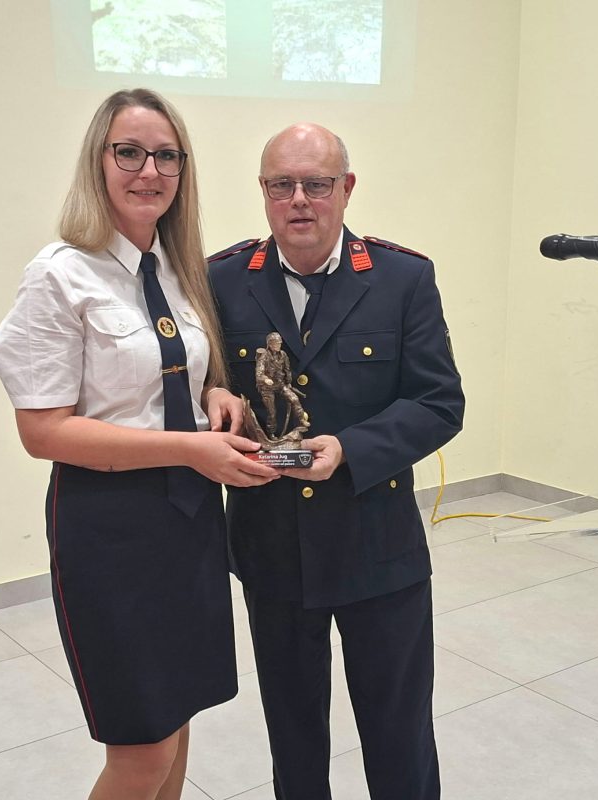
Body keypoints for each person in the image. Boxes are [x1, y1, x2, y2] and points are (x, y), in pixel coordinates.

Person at [0, 89, 276, 800]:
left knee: (177, 722)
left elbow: (177, 375)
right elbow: (42, 431)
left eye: (167, 156)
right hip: (110, 529)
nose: (150, 171)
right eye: (129, 152)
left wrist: (215, 395)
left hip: (189, 520)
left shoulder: (178, 270)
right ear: (99, 160)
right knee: (142, 749)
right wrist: (189, 450)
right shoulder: (60, 274)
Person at [208, 124, 465, 799]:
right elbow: (202, 382)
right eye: (281, 185)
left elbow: (439, 402)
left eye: (316, 184)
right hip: (271, 544)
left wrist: (350, 450)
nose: (299, 199)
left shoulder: (402, 278)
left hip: (376, 541)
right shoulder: (222, 279)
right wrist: (211, 399)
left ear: (346, 188)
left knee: (398, 732)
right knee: (292, 733)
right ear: (263, 191)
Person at [255, 332, 309, 438]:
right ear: (270, 344)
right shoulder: (264, 357)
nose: (279, 345)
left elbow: (287, 370)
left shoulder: (283, 355)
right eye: (276, 343)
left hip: (280, 384)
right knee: (272, 412)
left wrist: (288, 382)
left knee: (294, 399)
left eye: (279, 343)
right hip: (267, 388)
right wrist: (266, 379)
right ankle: (271, 433)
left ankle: (301, 420)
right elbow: (259, 374)